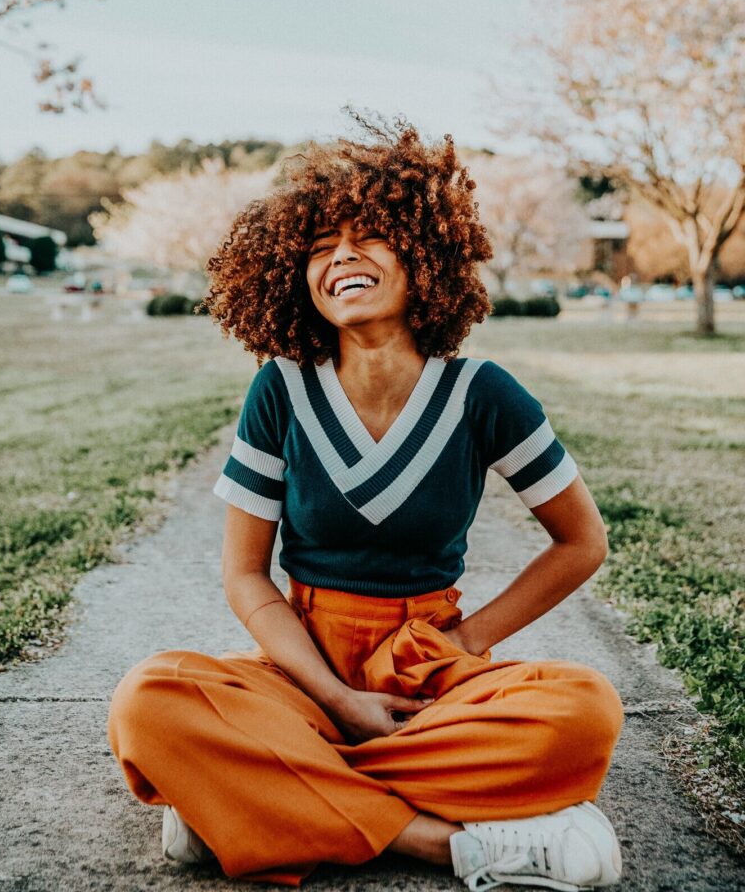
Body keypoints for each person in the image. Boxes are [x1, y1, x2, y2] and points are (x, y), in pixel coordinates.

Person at [108, 112, 624, 890]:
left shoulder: (483, 395)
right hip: (303, 666)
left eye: (369, 236)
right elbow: (246, 577)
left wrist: (467, 641)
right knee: (149, 699)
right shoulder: (279, 389)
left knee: (583, 710)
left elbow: (582, 541)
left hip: (428, 666)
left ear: (424, 254)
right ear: (294, 275)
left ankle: (253, 797)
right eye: (319, 248)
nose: (341, 256)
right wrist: (338, 699)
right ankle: (444, 843)